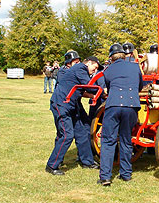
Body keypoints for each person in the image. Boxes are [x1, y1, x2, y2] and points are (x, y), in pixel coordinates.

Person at [46, 57, 101, 176]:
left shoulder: (79, 71)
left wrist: (94, 95)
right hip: (61, 104)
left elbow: (82, 91)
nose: (95, 70)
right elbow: (89, 86)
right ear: (89, 63)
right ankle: (52, 165)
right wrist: (102, 88)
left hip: (72, 105)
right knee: (66, 135)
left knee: (84, 129)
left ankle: (87, 161)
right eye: (95, 67)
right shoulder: (81, 68)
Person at [98, 43, 143, 186]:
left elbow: (108, 87)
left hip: (114, 105)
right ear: (124, 55)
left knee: (108, 141)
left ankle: (105, 177)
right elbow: (140, 85)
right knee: (126, 139)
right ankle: (126, 174)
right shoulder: (135, 67)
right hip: (131, 107)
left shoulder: (108, 70)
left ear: (111, 57)